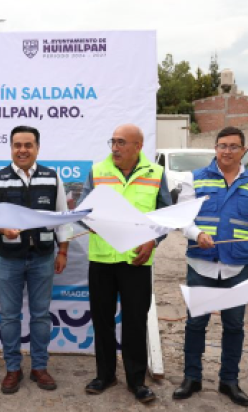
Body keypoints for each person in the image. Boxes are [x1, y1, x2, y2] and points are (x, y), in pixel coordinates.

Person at [172, 126, 248, 407]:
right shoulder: (194, 178)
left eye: (233, 146)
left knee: (234, 326)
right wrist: (197, 234)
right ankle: (191, 377)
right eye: (222, 146)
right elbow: (184, 219)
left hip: (237, 266)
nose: (227, 151)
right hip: (201, 264)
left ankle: (229, 380)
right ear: (215, 148)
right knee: (196, 324)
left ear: (243, 150)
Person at [80, 124, 171, 403]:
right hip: (102, 259)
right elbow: (82, 209)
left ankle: (136, 381)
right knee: (102, 321)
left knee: (135, 322)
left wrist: (153, 241)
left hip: (137, 260)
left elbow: (167, 216)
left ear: (138, 146)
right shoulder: (98, 171)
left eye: (121, 142)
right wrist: (88, 221)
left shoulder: (156, 173)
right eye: (113, 142)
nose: (115, 148)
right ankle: (105, 375)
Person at [0, 126, 72, 394]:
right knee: (9, 316)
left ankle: (39, 367)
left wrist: (63, 251)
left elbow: (63, 218)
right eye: (17, 145)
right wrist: (2, 229)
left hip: (43, 257)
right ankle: (12, 368)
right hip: (8, 258)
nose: (22, 150)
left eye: (28, 145)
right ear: (11, 148)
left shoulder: (52, 177)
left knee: (41, 315)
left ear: (37, 148)